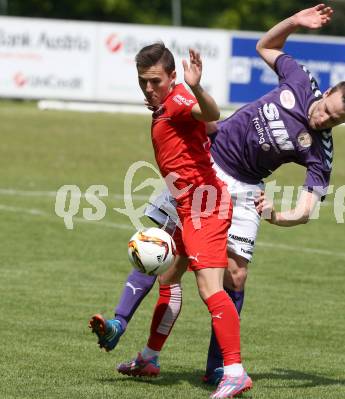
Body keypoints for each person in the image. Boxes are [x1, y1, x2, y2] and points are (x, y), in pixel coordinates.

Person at [90, 3, 345, 386]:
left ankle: (218, 366)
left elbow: (306, 209)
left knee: (234, 276)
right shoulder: (302, 81)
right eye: (326, 109)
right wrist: (295, 22)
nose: (323, 118)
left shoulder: (320, 149)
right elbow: (265, 47)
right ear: (329, 90)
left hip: (244, 190)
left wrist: (275, 214)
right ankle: (141, 347)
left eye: (335, 120)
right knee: (164, 254)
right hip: (204, 161)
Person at [89, 42, 252, 399]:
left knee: (211, 288)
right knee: (166, 274)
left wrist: (196, 87)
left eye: (155, 81)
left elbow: (207, 112)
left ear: (172, 77)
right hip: (185, 206)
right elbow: (209, 128)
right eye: (142, 81)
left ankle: (235, 371)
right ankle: (148, 357)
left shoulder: (178, 99)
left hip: (204, 208)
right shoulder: (166, 105)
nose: (148, 89)